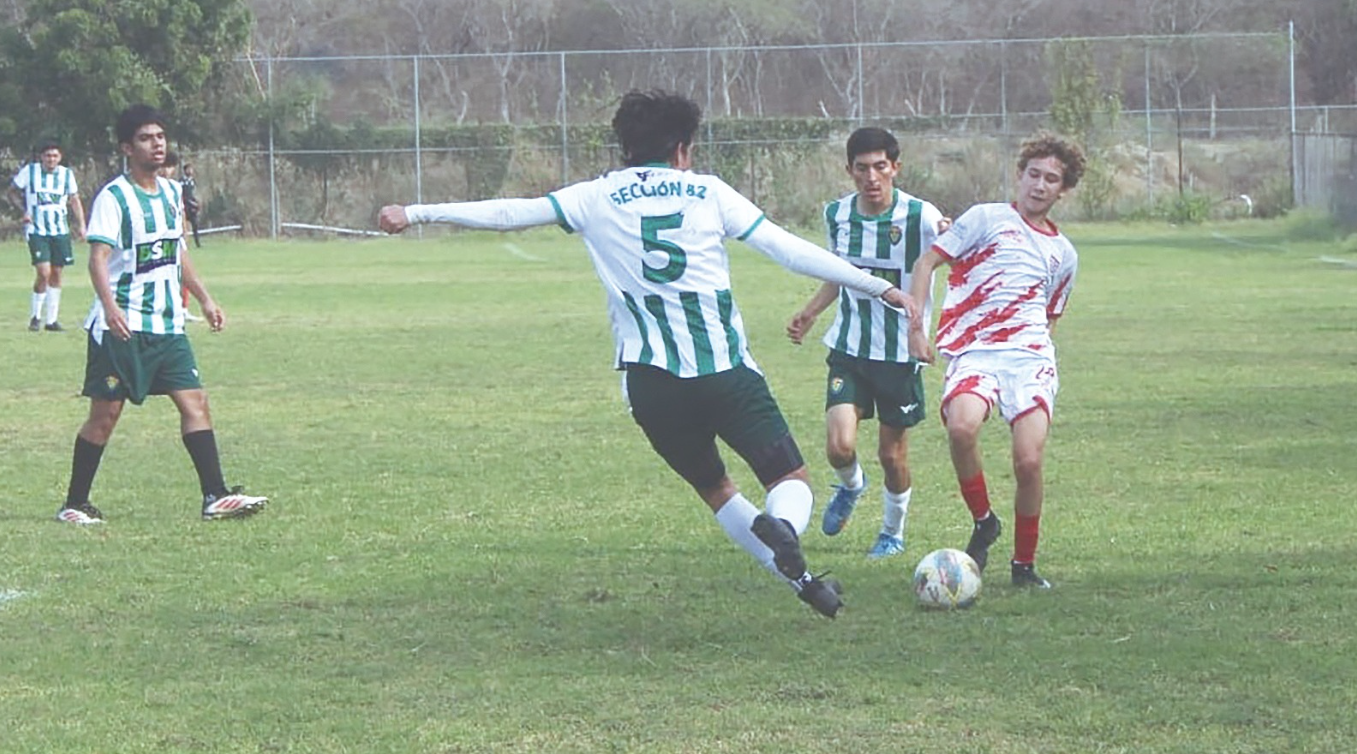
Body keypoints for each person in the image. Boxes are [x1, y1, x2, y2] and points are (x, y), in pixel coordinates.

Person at [378, 90, 921, 619]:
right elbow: (788, 249)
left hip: (650, 385)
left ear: (626, 148)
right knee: (788, 481)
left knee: (717, 489)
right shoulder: (707, 192)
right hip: (722, 372)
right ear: (682, 148)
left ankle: (802, 582)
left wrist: (417, 212)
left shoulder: (595, 197)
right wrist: (879, 287)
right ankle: (785, 527)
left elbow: (509, 212)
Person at [55, 104, 268, 525]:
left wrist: (205, 299)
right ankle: (74, 503)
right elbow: (98, 259)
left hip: (168, 325)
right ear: (126, 148)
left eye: (160, 137)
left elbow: (177, 252)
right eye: (145, 138)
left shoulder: (172, 194)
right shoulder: (114, 197)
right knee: (105, 416)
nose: (156, 144)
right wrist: (110, 307)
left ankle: (215, 495)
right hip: (123, 326)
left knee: (196, 402)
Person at [906, 131, 1085, 589]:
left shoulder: (1064, 254)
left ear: (1063, 190)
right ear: (1019, 175)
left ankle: (1024, 566)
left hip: (1029, 359)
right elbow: (926, 264)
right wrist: (916, 329)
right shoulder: (985, 218)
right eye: (1033, 174)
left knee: (1028, 462)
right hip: (975, 351)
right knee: (961, 427)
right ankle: (984, 520)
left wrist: (1036, 362)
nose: (1039, 185)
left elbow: (1049, 316)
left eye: (1051, 179)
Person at [786, 127, 949, 560]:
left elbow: (953, 252)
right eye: (862, 168)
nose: (871, 177)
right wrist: (811, 311)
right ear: (849, 170)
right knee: (839, 446)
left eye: (880, 167)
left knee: (892, 455)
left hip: (899, 355)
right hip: (850, 347)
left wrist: (953, 235)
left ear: (896, 167)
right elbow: (839, 273)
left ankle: (892, 532)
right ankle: (851, 486)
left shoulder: (922, 217)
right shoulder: (838, 215)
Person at [8, 139, 86, 332]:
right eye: (48, 155)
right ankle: (35, 316)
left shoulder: (66, 174)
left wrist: (82, 224)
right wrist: (23, 211)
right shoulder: (30, 172)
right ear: (41, 157)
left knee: (57, 273)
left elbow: (74, 199)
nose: (51, 159)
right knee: (44, 272)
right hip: (37, 230)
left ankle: (52, 320)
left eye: (54, 156)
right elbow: (12, 192)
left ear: (60, 157)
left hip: (60, 231)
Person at [157, 151, 202, 322]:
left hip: (175, 238)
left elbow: (180, 211)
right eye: (163, 167)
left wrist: (184, 231)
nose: (166, 171)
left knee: (184, 273)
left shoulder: (175, 188)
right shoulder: (149, 187)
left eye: (169, 167)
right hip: (158, 239)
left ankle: (183, 308)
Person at [181, 161, 202, 248]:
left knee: (195, 225)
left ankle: (198, 243)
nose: (191, 171)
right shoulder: (181, 181)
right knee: (183, 226)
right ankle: (183, 244)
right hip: (184, 206)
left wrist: (197, 203)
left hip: (192, 208)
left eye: (191, 169)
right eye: (189, 169)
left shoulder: (192, 181)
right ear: (185, 170)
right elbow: (183, 195)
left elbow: (194, 193)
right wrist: (189, 202)